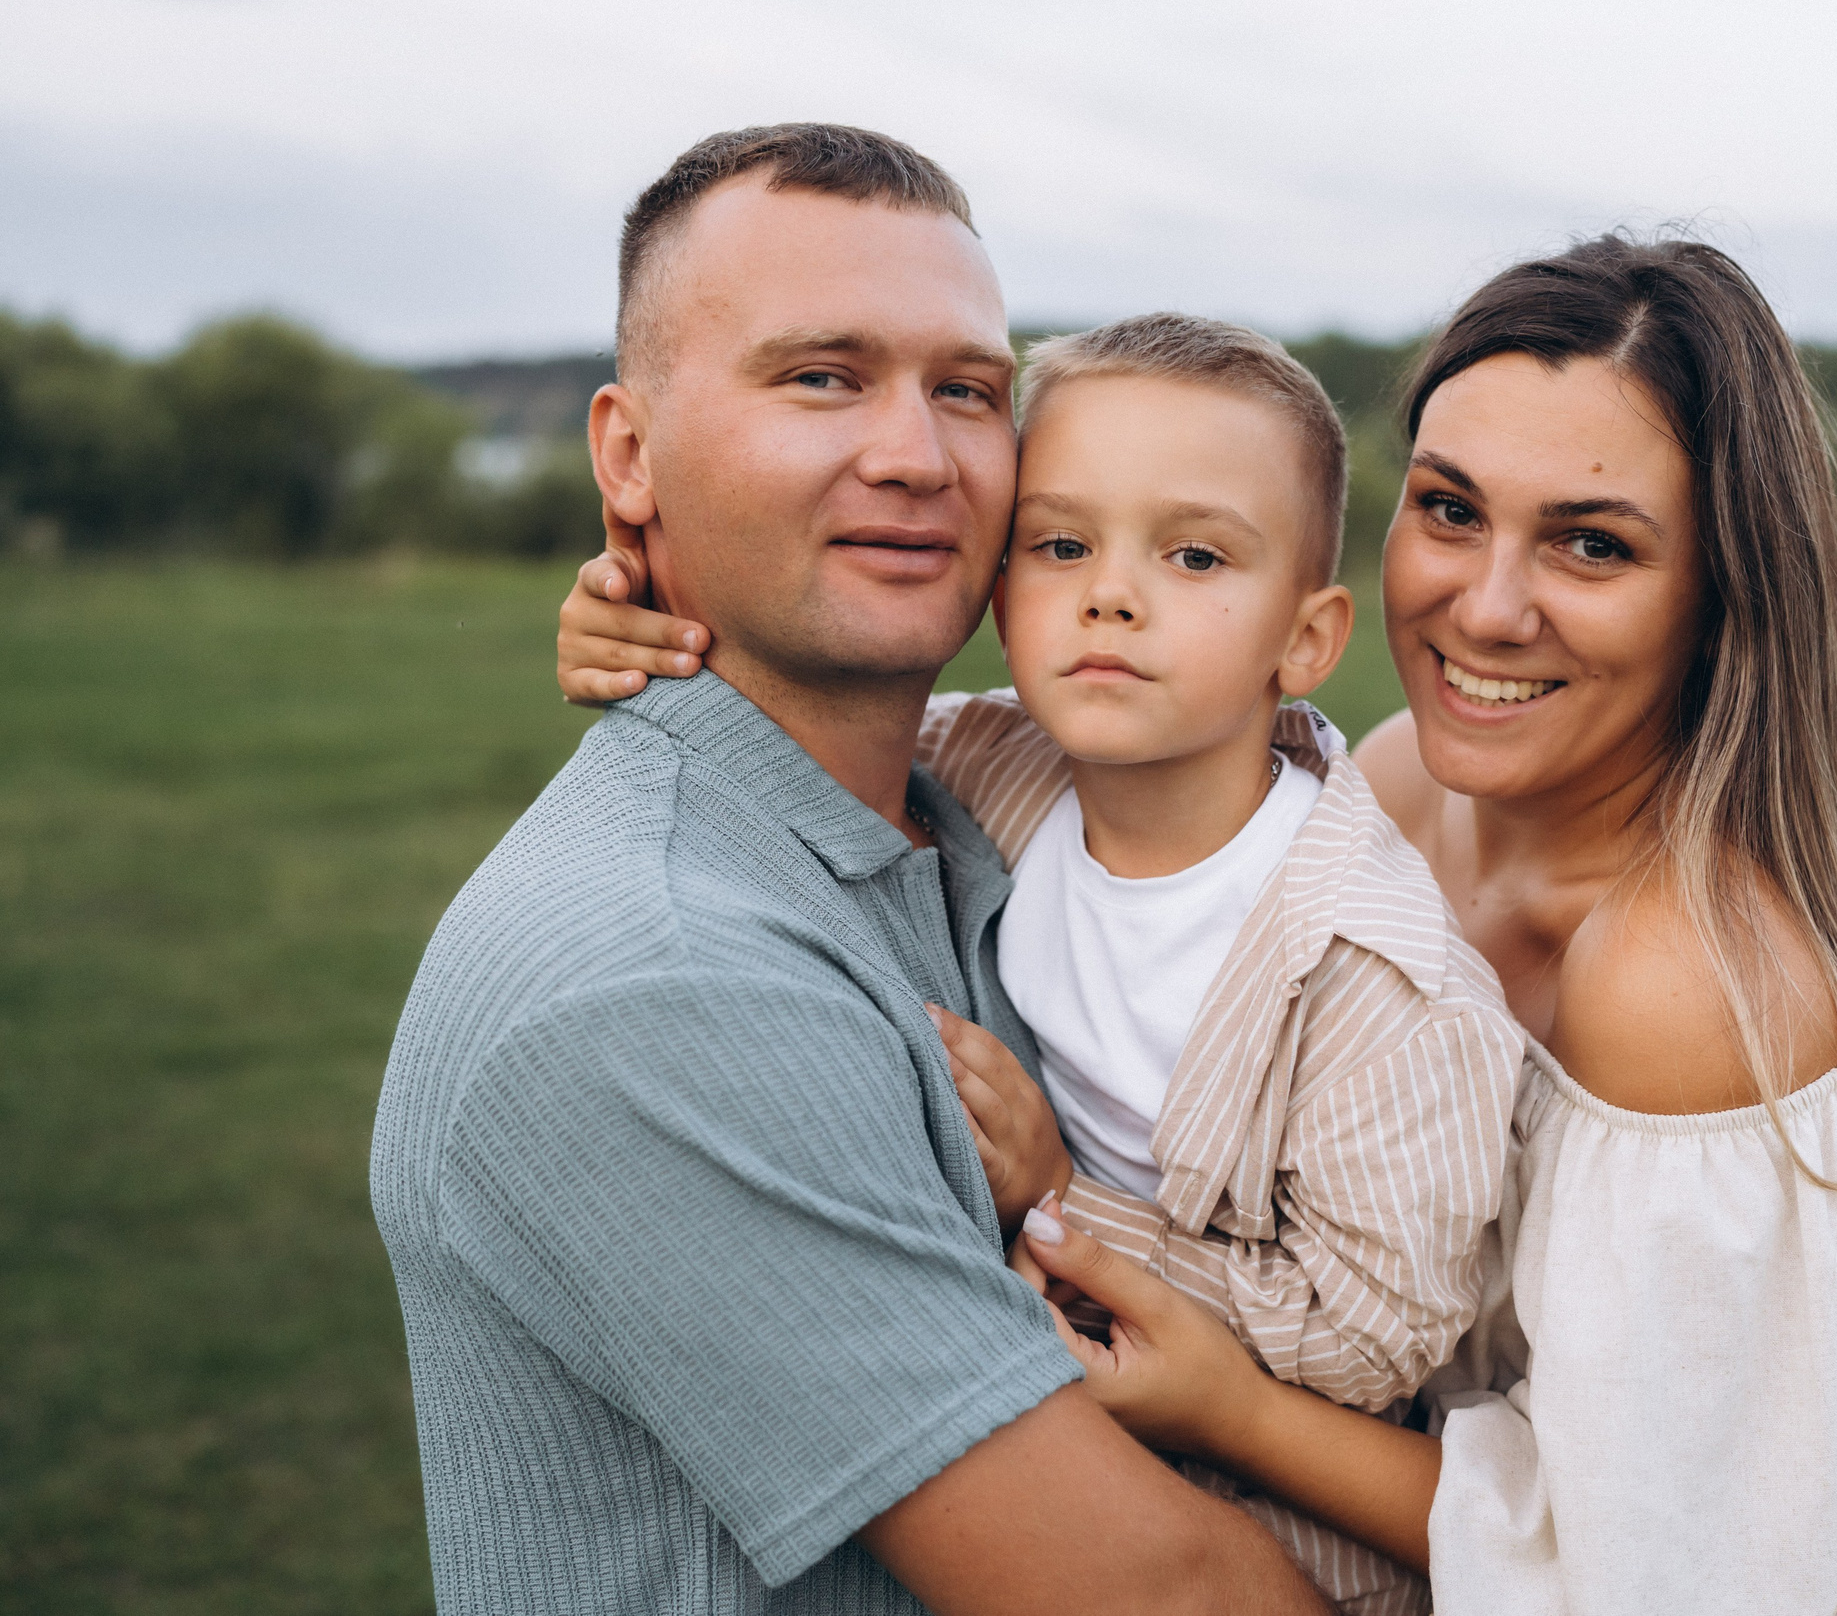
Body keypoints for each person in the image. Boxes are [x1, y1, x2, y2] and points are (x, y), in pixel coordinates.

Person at [370, 124, 1330, 1616]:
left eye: (968, 391)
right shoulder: (657, 978)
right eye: (823, 377)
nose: (916, 456)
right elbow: (1173, 1598)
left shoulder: (994, 813)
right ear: (628, 456)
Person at [1001, 236, 1837, 1614]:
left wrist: (1233, 1407)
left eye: (1593, 544)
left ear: (1722, 598)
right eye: (1451, 510)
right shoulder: (1397, 785)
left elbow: (1652, 1575)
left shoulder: (1678, 984)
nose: (1487, 606)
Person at [561, 311, 1531, 1614]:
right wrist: (636, 629)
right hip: (1047, 1459)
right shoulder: (990, 765)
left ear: (1306, 639)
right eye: (1061, 545)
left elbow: (1367, 1343)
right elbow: (791, 719)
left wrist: (1062, 1198)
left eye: (1194, 555)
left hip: (1295, 1551)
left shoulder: (1380, 985)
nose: (1110, 594)